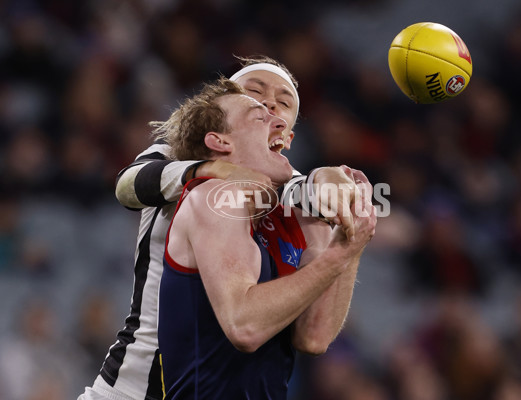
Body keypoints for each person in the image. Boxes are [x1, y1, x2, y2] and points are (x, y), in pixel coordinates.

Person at [79, 57, 371, 400]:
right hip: (136, 385)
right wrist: (213, 169)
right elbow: (127, 186)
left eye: (283, 101)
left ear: (287, 136)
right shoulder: (180, 163)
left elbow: (306, 188)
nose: (270, 103)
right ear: (218, 131)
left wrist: (332, 183)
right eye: (255, 95)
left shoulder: (289, 194)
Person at [156, 77, 376, 399]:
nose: (279, 120)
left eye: (283, 110)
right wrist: (336, 257)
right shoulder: (212, 196)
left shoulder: (296, 217)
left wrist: (348, 241)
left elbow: (314, 336)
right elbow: (244, 327)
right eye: (259, 115)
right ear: (220, 142)